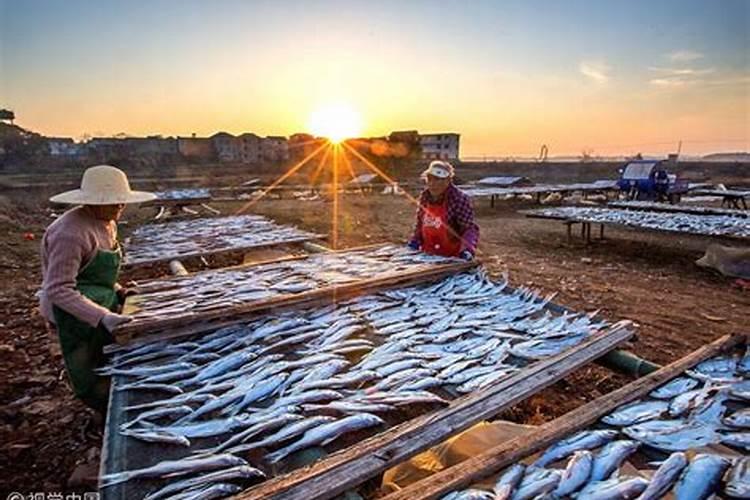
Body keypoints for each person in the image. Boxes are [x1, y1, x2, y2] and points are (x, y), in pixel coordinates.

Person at [39, 165, 155, 412]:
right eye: (112, 202)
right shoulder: (69, 233)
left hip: (101, 300)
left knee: (107, 355)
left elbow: (94, 270)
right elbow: (58, 289)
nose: (119, 207)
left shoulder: (108, 221)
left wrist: (118, 289)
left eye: (121, 201)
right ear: (90, 202)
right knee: (88, 367)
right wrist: (102, 317)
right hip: (70, 312)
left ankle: (113, 395)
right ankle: (101, 410)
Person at [407, 160, 479, 259]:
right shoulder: (425, 196)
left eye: (437, 179)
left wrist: (467, 249)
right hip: (428, 255)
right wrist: (415, 240)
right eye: (429, 179)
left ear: (448, 181)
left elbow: (469, 228)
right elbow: (420, 223)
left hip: (451, 257)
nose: (432, 183)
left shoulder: (459, 199)